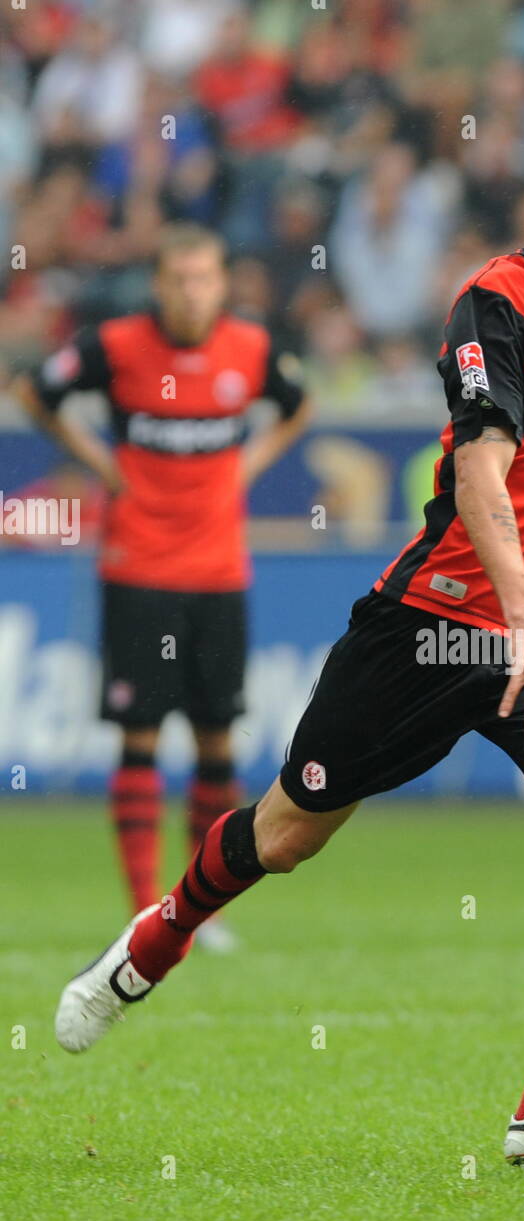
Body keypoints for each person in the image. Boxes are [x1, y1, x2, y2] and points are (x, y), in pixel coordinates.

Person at [54, 106, 524, 1166]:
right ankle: (151, 942)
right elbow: (482, 474)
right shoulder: (492, 305)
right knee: (287, 834)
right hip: (433, 628)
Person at [15, 223, 312, 951]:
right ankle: (142, 905)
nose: (192, 291)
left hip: (218, 571)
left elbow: (298, 405)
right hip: (138, 567)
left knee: (216, 743)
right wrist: (101, 463)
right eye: (179, 278)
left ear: (222, 282)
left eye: (205, 277)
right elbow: (35, 393)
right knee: (139, 738)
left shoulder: (249, 348)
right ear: (158, 284)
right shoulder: (114, 347)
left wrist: (246, 464)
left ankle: (195, 908)